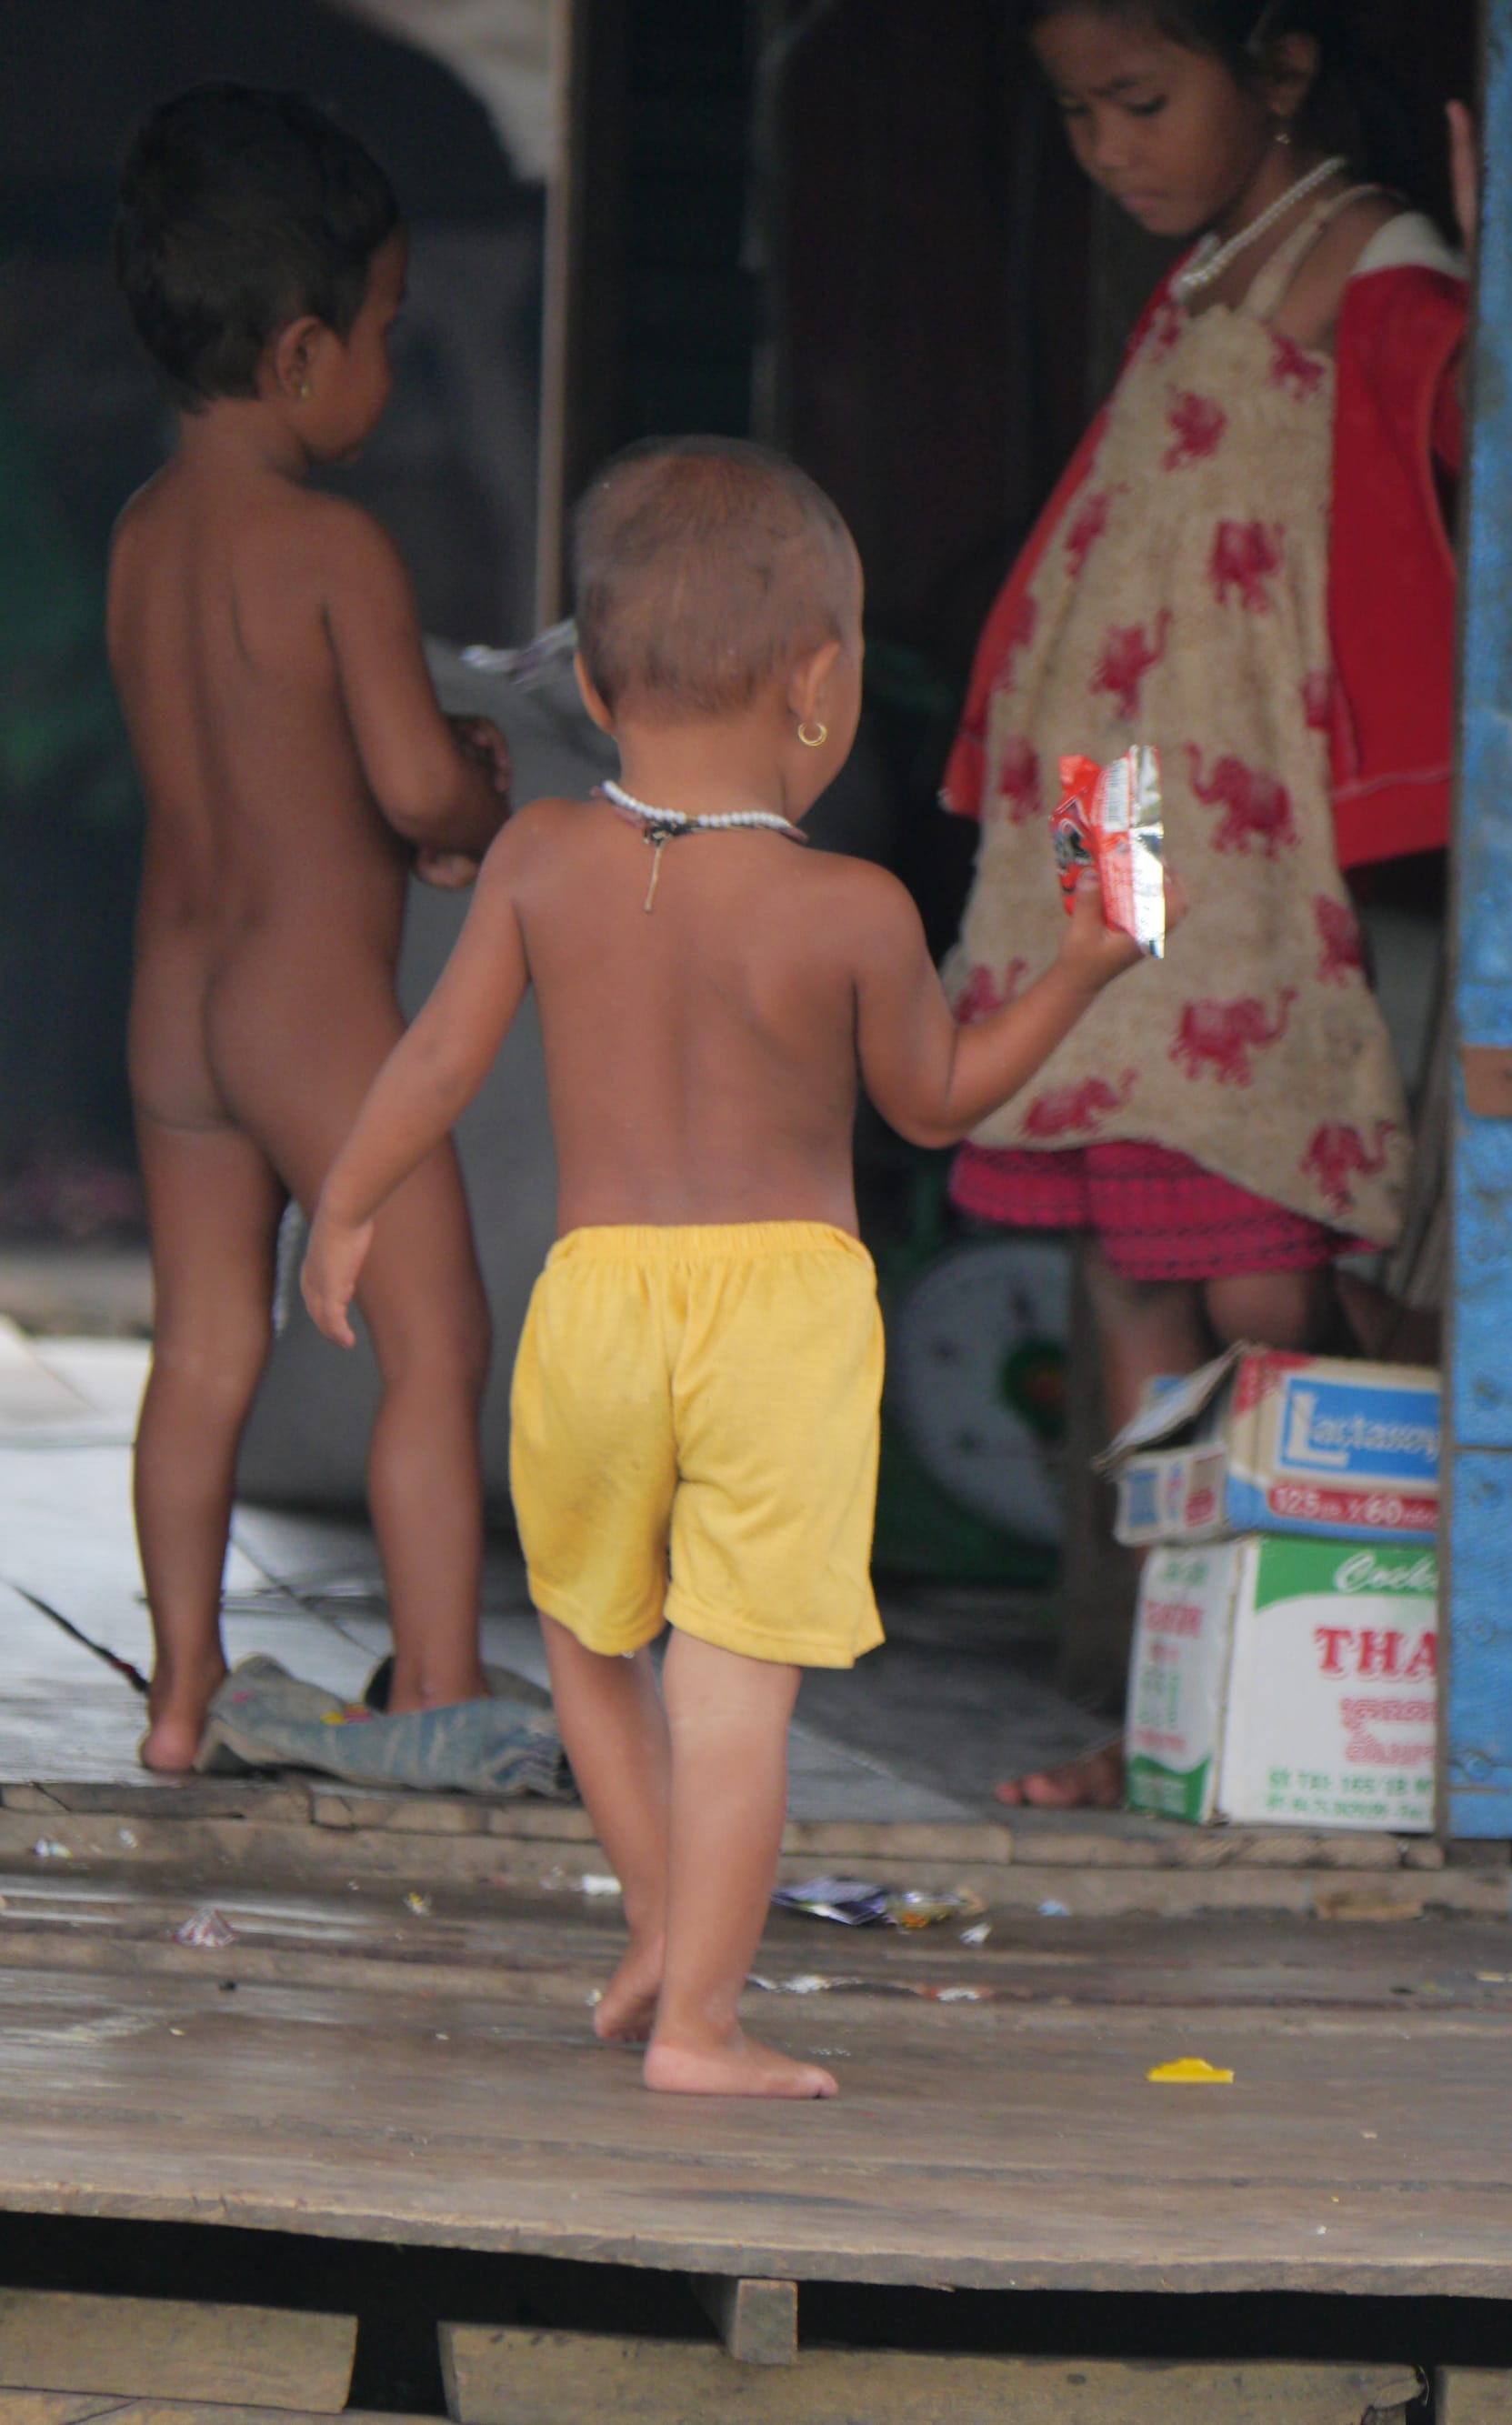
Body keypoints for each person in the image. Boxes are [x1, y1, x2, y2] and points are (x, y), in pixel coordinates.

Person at [300, 438, 1170, 2097]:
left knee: (583, 1636)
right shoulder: (850, 907)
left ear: (597, 680)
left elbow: (431, 1063)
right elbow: (937, 1102)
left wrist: (342, 1206)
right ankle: (700, 2017)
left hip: (600, 1300)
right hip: (782, 1312)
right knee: (737, 1688)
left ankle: (658, 1936)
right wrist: (1082, 970)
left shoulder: (543, 853)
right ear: (821, 684)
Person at [937, 0, 1476, 1807]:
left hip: (1237, 836)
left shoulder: (1365, 258)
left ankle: (1290, 1669)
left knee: (1256, 1244)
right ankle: (1167, 1689)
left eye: (1141, 100)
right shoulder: (1208, 266)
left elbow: (1477, 414)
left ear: (1285, 65)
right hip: (1111, 809)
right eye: (1079, 113)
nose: (1108, 148)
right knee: (1123, 1241)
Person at [108, 85, 511, 1771]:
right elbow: (416, 790)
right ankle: (434, 1688)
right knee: (435, 1338)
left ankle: (185, 1699)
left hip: (174, 1011)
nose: (391, 369)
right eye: (388, 334)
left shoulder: (142, 534)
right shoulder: (335, 545)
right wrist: (479, 796)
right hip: (311, 1011)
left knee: (204, 1343)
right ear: (297, 353)